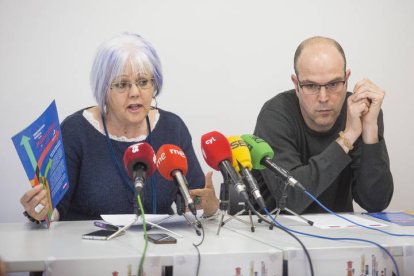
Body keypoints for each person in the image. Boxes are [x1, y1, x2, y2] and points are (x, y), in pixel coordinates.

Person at [20, 33, 219, 222]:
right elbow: (54, 210)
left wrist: (209, 207)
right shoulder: (76, 131)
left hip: (157, 251)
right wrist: (38, 210)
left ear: (155, 84)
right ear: (104, 89)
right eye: (122, 84)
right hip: (89, 251)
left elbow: (194, 202)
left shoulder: (172, 128)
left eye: (143, 82)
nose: (134, 92)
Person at [253, 36, 393, 214]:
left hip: (339, 235)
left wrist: (370, 131)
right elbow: (290, 198)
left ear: (346, 79)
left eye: (333, 84)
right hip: (280, 233)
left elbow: (376, 202)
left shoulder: (361, 112)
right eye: (311, 86)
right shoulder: (275, 115)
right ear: (296, 85)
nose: (324, 97)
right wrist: (348, 137)